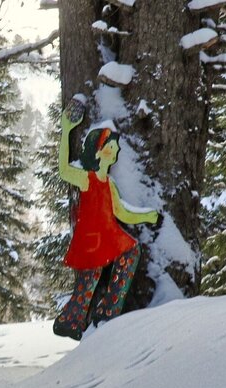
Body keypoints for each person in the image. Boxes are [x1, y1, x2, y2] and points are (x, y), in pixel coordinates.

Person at [53, 101, 159, 340]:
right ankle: (70, 320)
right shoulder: (86, 179)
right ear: (100, 150)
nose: (117, 151)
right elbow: (63, 170)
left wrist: (147, 216)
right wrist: (67, 130)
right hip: (92, 240)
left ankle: (107, 309)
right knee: (86, 284)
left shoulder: (108, 184)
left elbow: (122, 213)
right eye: (113, 147)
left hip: (109, 236)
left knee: (129, 253)